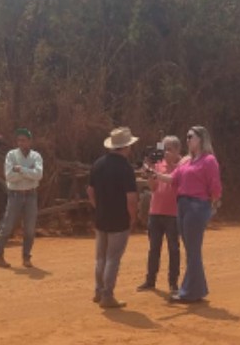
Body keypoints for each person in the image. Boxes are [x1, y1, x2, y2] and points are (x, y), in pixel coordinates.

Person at [152, 126, 222, 303]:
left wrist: (212, 205)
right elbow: (172, 179)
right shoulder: (186, 161)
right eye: (187, 137)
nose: (188, 140)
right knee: (191, 250)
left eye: (191, 136)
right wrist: (154, 174)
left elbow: (215, 186)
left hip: (197, 206)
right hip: (182, 204)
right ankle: (197, 289)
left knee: (192, 250)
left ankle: (188, 291)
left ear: (201, 139)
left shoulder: (209, 160)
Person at [87, 127, 139, 308]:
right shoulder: (125, 168)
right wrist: (132, 217)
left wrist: (98, 206)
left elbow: (90, 190)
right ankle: (107, 296)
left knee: (100, 257)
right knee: (113, 258)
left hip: (101, 216)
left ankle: (98, 291)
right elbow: (131, 198)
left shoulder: (98, 164)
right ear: (125, 147)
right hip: (119, 218)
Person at [137, 136, 182, 295]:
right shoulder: (159, 165)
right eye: (165, 149)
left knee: (173, 249)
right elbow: (153, 187)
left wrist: (156, 171)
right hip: (156, 211)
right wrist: (150, 173)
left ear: (177, 151)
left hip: (173, 214)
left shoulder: (182, 166)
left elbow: (174, 182)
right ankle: (150, 280)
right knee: (154, 248)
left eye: (170, 149)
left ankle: (173, 283)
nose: (166, 153)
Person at [0, 128, 43, 268]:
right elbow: (9, 176)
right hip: (15, 195)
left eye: (24, 140)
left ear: (30, 141)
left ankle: (26, 257)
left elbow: (39, 175)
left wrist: (20, 169)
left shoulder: (36, 156)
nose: (21, 143)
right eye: (19, 140)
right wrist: (29, 172)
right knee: (7, 226)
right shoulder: (11, 155)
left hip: (31, 195)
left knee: (30, 228)